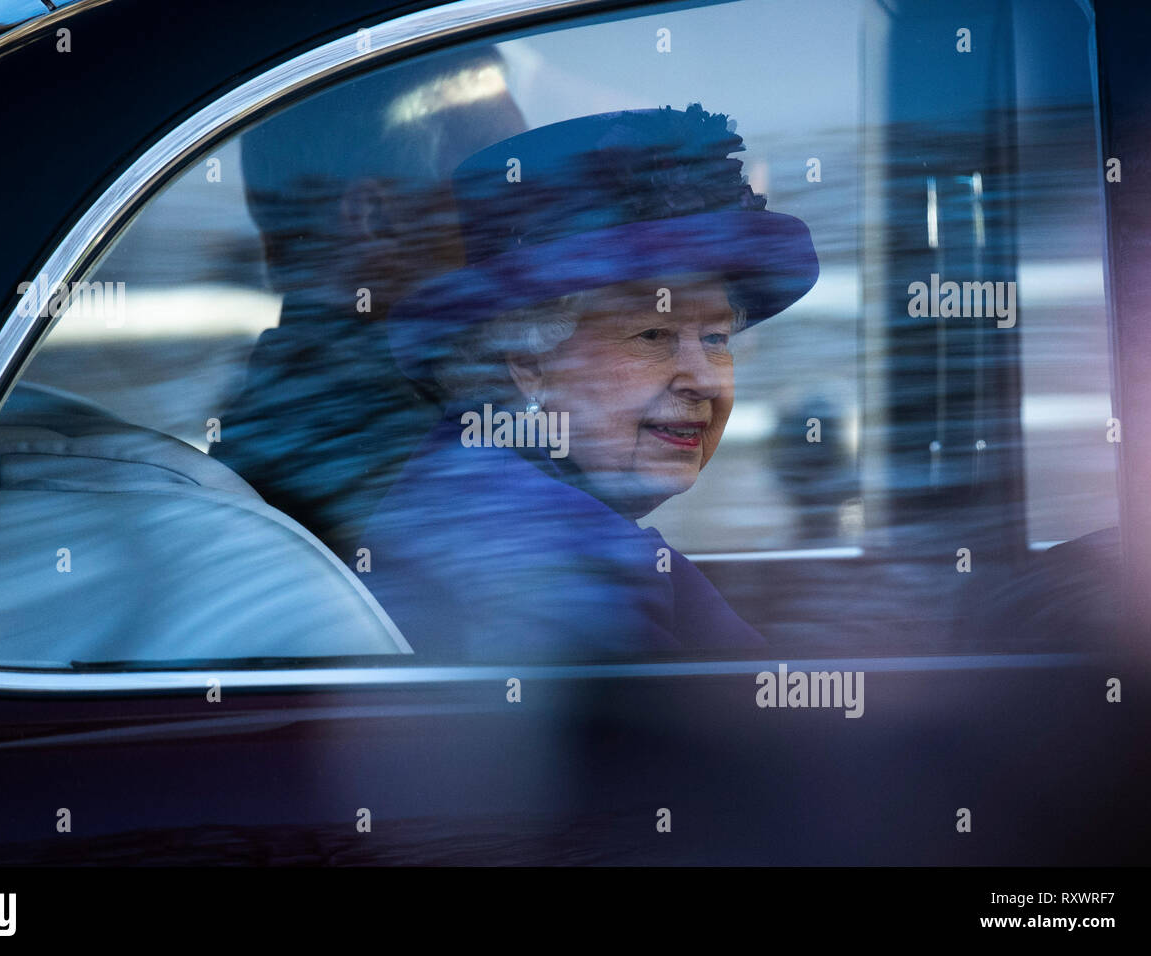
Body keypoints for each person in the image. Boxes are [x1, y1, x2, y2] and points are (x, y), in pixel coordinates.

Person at [359, 105, 820, 662]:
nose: (703, 380)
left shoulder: (496, 485)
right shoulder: (549, 552)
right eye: (653, 335)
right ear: (527, 362)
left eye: (717, 340)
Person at [211, 46, 527, 559]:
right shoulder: (407, 452)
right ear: (378, 219)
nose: (532, 208)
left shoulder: (305, 409)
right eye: (500, 177)